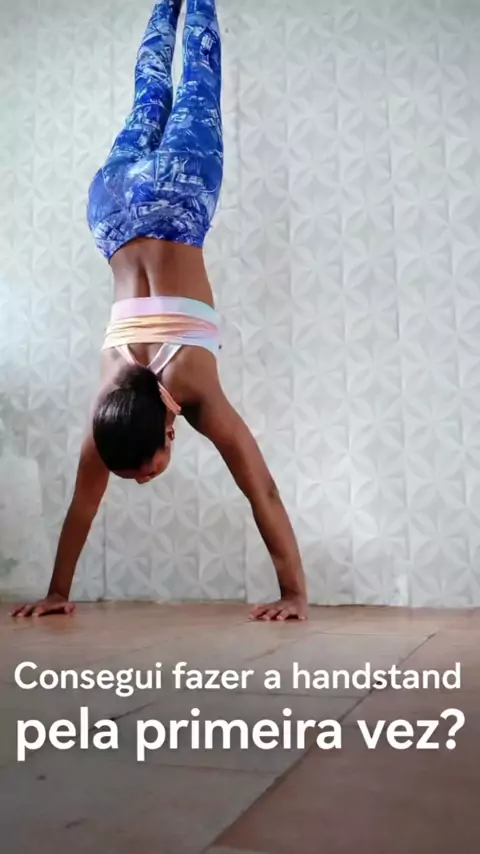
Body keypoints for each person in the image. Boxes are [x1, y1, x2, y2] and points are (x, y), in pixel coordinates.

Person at [12, 0, 307, 621]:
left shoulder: (194, 390)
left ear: (169, 431)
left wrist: (294, 594)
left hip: (178, 193)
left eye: (145, 470)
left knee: (198, 71)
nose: (145, 479)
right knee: (149, 86)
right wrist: (58, 592)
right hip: (113, 207)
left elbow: (262, 488)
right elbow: (83, 505)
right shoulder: (109, 410)